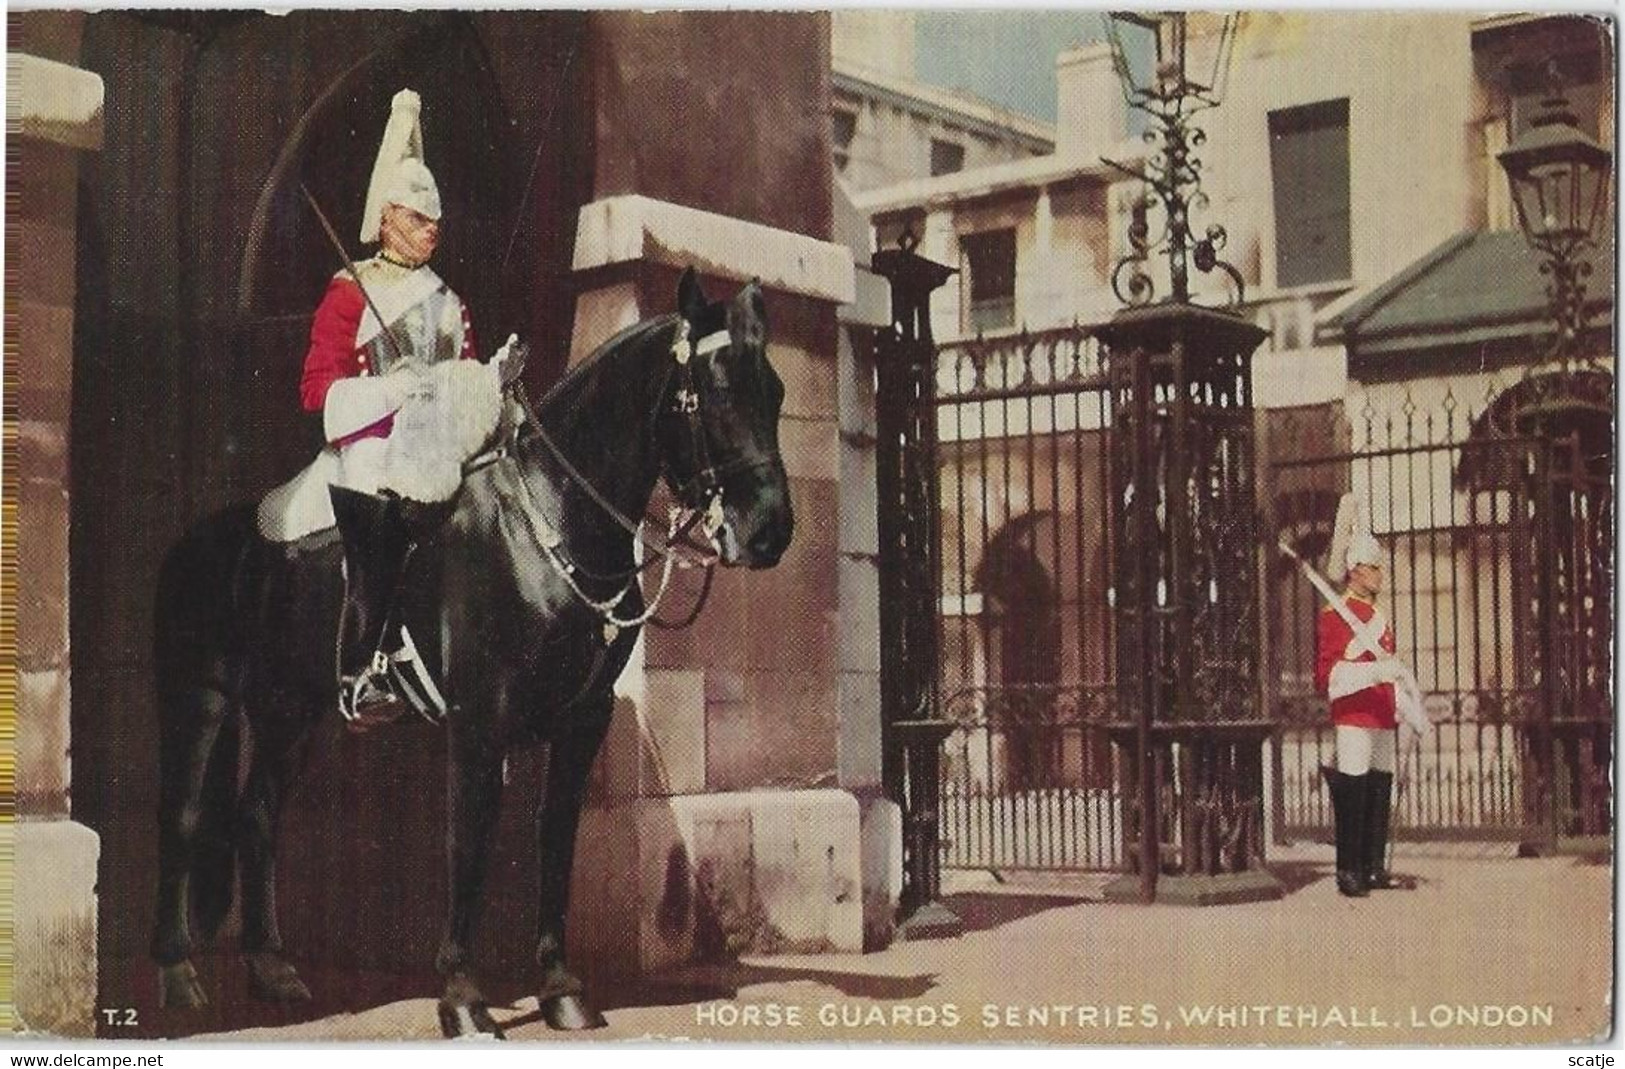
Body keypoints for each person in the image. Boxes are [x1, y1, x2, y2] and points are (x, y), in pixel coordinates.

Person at [298, 88, 483, 723]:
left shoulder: (451, 301)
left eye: (435, 221)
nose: (431, 229)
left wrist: (492, 382)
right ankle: (363, 668)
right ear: (386, 220)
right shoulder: (352, 291)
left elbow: (463, 380)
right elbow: (316, 387)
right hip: (371, 440)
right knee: (374, 510)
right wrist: (388, 390)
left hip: (439, 442)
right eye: (416, 218)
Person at [1314, 527, 1408, 898]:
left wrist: (1402, 702)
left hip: (1382, 712)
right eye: (1374, 568)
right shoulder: (1335, 614)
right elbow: (1328, 674)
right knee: (1353, 790)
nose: (1380, 574)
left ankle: (1372, 865)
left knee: (1379, 788)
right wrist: (1375, 672)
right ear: (1354, 571)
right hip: (1354, 715)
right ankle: (1348, 869)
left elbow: (1388, 668)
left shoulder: (1377, 615)